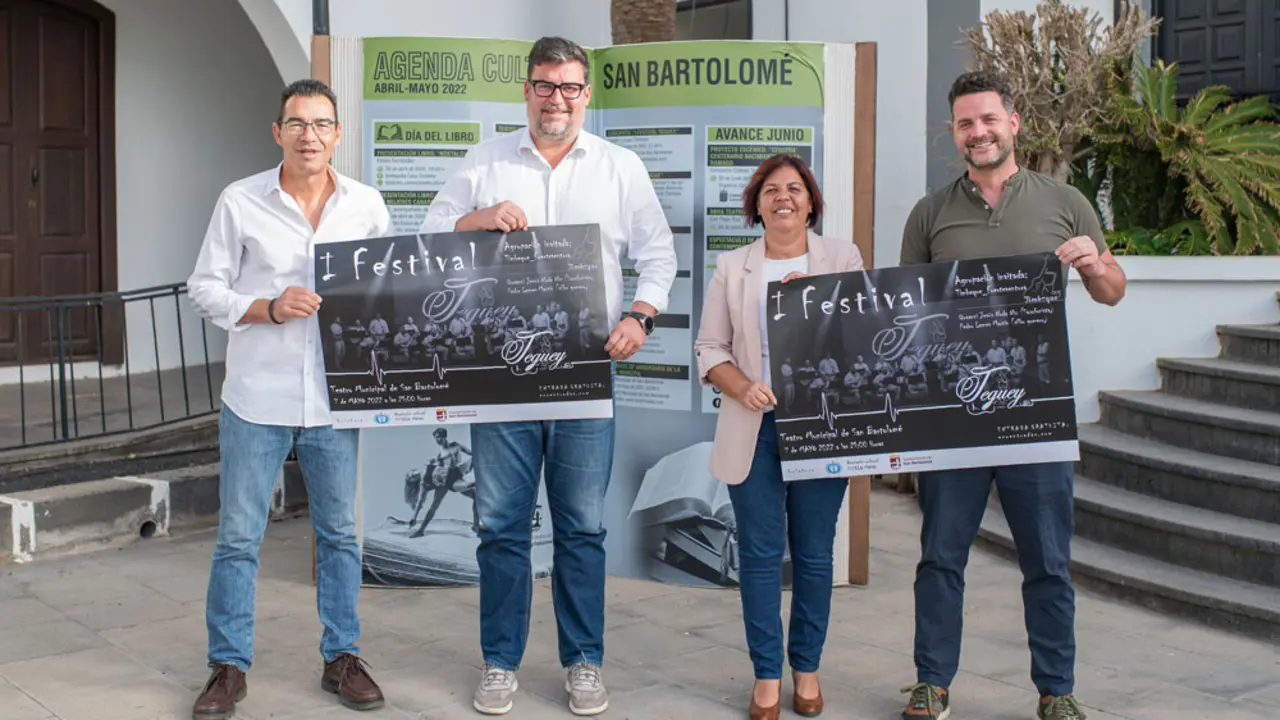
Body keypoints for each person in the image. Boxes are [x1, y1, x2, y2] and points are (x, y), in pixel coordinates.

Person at [418, 35, 677, 716]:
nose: (555, 98)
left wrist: (641, 318)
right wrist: (478, 218)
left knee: (582, 527)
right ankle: (500, 663)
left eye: (568, 87)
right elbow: (429, 238)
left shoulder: (619, 167)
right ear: (526, 90)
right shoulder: (485, 161)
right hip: (501, 378)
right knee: (500, 525)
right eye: (544, 85)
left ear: (586, 94)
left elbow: (659, 257)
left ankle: (584, 661)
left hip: (585, 374)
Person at [897, 70, 1126, 720]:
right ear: (954, 133)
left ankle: (1057, 691)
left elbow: (1113, 291)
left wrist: (1094, 263)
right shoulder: (930, 213)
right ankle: (931, 683)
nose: (979, 132)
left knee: (1049, 561)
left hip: (1037, 417)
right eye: (966, 123)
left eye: (989, 120)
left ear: (1013, 122)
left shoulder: (1065, 201)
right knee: (940, 557)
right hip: (953, 418)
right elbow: (904, 315)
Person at [186, 78, 390, 720]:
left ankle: (343, 658)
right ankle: (227, 666)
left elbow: (388, 288)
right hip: (257, 397)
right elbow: (203, 288)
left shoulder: (366, 205)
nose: (310, 135)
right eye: (297, 123)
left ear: (337, 133)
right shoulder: (240, 200)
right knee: (239, 538)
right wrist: (266, 307)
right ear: (278, 132)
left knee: (339, 536)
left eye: (322, 124)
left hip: (335, 399)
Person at [693, 153, 864, 720]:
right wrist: (741, 386)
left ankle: (806, 670)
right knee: (762, 556)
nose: (783, 197)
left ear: (811, 201)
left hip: (822, 425)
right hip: (755, 427)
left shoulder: (841, 257)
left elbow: (865, 335)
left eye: (794, 188)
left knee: (815, 555)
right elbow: (709, 349)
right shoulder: (732, 266)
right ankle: (767, 675)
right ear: (757, 204)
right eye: (771, 190)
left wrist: (813, 299)